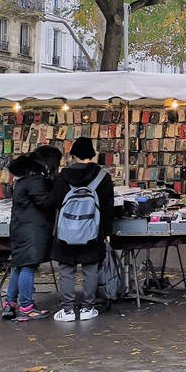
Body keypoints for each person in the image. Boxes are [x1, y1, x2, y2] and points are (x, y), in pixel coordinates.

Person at [50, 138, 115, 322]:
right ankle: (88, 307)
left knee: (67, 270)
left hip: (66, 232)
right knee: (91, 269)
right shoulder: (103, 176)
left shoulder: (63, 176)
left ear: (74, 155)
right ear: (92, 154)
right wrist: (106, 231)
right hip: (92, 232)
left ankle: (68, 310)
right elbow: (108, 207)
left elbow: (55, 201)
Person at [2, 145, 63, 321]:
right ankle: (26, 307)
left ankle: (10, 304)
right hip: (32, 230)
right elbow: (45, 203)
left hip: (21, 228)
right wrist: (57, 190)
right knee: (28, 266)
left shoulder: (24, 178)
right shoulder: (36, 180)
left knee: (19, 266)